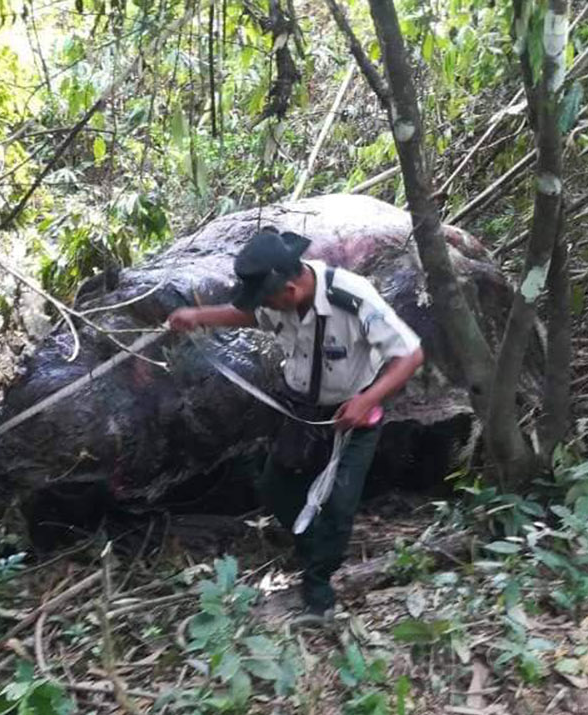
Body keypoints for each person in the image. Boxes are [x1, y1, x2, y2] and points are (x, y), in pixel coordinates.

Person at [167, 227, 426, 621]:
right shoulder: (278, 300)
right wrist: (198, 316)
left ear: (290, 289)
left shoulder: (351, 297)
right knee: (277, 487)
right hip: (301, 409)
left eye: (269, 299)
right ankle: (311, 546)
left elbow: (410, 354)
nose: (265, 307)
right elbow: (249, 314)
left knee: (340, 503)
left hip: (352, 414)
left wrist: (367, 400)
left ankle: (319, 592)